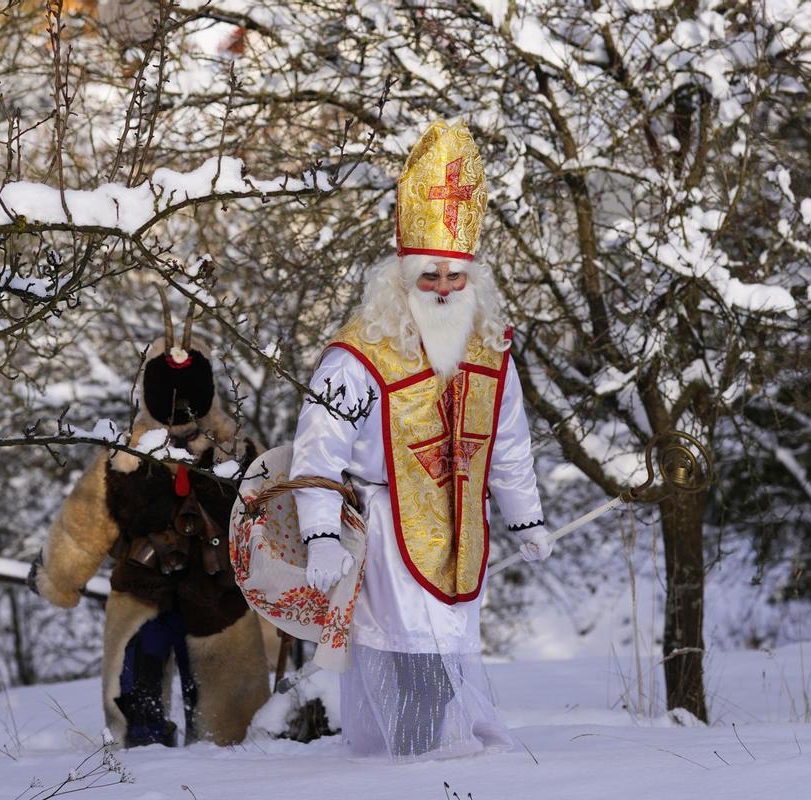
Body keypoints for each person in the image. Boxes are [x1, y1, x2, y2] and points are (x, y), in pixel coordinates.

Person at [289, 120, 551, 760]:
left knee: (446, 654)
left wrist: (526, 518)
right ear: (400, 277)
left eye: (453, 279)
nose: (440, 289)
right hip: (384, 532)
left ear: (472, 282)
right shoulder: (358, 356)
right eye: (428, 276)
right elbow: (316, 449)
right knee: (417, 665)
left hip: (463, 532)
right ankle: (412, 767)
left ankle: (424, 765)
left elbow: (508, 445)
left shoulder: (492, 353)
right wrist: (320, 533)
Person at [31, 313, 270, 747]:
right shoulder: (123, 457)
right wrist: (61, 577)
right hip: (143, 593)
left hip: (219, 597)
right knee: (138, 705)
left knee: (230, 724)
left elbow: (273, 525)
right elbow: (85, 524)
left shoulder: (242, 455)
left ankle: (225, 779)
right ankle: (144, 762)